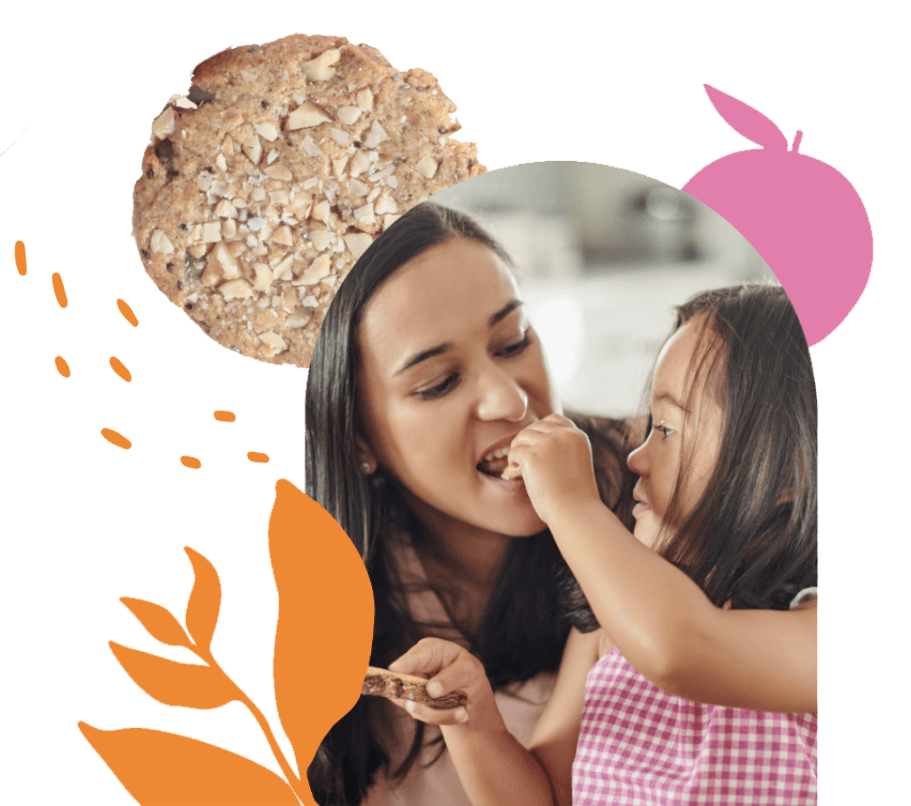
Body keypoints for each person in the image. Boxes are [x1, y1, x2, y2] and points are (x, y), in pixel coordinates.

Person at [387, 284, 819, 805]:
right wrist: (474, 722)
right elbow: (547, 799)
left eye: (666, 428)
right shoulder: (603, 627)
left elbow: (683, 648)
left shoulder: (807, 626)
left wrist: (573, 504)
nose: (636, 456)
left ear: (789, 471)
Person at [303, 201, 639, 805]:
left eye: (513, 342)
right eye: (438, 383)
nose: (510, 401)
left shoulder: (659, 489)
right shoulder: (322, 610)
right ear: (355, 438)